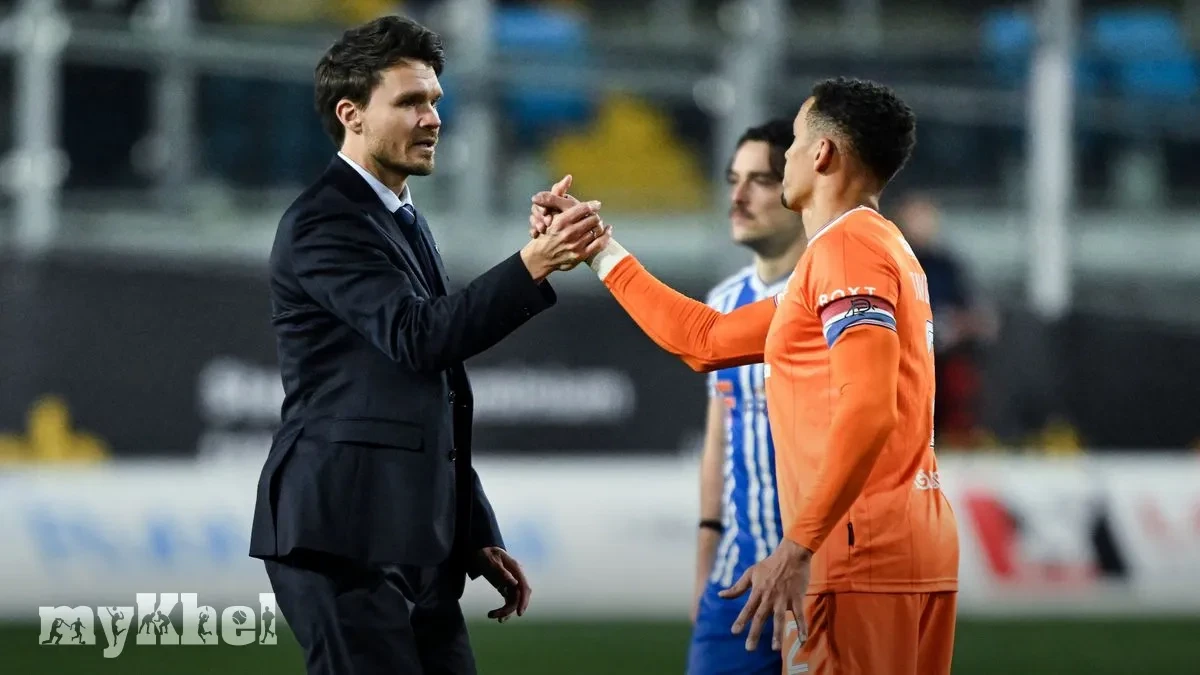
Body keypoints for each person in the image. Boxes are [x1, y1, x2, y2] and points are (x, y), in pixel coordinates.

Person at [534, 77, 958, 675]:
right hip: (908, 547)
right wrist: (600, 249)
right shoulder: (876, 248)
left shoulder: (847, 251)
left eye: (795, 141)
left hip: (857, 553)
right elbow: (706, 340)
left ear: (822, 153)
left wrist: (797, 545)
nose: (787, 155)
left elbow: (868, 407)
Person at [248, 16, 609, 675]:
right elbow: (419, 337)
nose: (433, 118)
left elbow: (427, 395)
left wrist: (473, 529)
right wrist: (532, 264)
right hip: (341, 539)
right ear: (352, 114)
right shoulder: (324, 221)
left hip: (412, 540)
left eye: (436, 100)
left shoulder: (398, 216)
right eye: (411, 101)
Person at [689, 120, 806, 675]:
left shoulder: (830, 296)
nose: (738, 196)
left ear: (799, 190)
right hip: (734, 581)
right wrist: (705, 558)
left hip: (816, 580)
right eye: (734, 179)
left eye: (760, 180)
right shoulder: (723, 300)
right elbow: (718, 438)